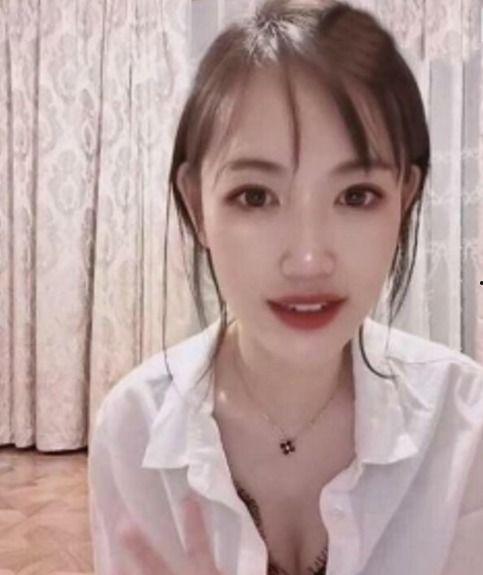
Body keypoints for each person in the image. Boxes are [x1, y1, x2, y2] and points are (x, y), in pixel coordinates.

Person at [87, 0, 483, 574]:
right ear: (197, 206)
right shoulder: (135, 429)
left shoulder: (463, 423)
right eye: (255, 196)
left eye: (356, 196)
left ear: (405, 199)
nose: (308, 259)